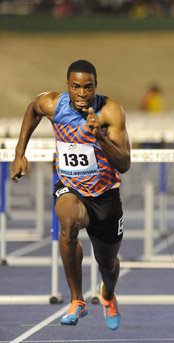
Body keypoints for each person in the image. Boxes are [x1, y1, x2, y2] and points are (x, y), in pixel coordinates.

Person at [11, 59, 131, 331]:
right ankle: (77, 300)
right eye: (76, 86)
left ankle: (108, 295)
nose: (81, 93)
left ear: (95, 87)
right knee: (67, 224)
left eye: (88, 87)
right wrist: (20, 154)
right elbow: (32, 109)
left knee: (108, 264)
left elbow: (124, 163)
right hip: (71, 187)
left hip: (105, 196)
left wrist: (100, 137)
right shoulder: (54, 104)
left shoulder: (110, 111)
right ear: (68, 86)